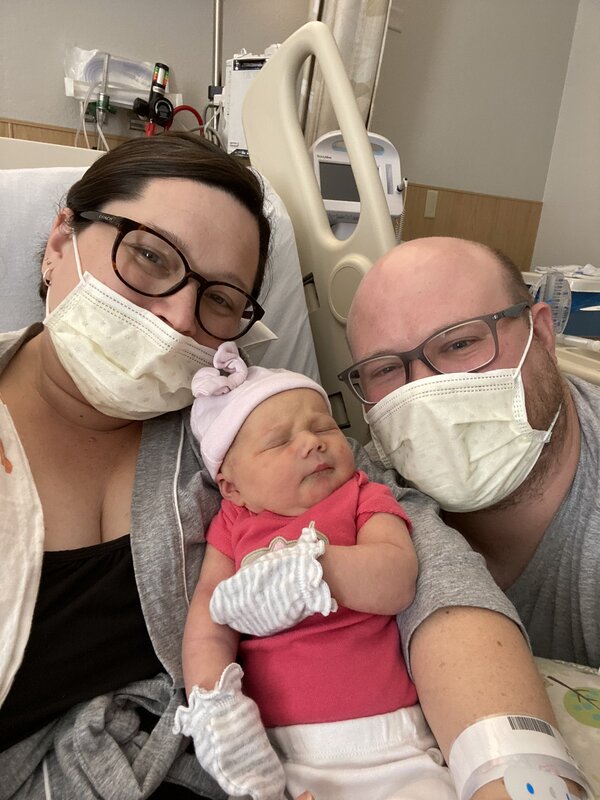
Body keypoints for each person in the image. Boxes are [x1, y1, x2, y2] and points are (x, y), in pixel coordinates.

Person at [0, 132, 574, 800]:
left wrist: (510, 768)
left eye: (218, 298)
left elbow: (417, 548)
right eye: (149, 257)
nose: (179, 317)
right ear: (59, 240)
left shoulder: (235, 432)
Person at [175, 342, 459, 800]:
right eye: (280, 441)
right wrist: (215, 704)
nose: (313, 441)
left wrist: (314, 571)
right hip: (279, 755)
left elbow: (397, 581)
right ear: (232, 487)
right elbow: (210, 618)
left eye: (324, 426)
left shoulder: (363, 495)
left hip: (391, 745)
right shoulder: (231, 525)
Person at [344, 235, 600, 670]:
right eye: (385, 369)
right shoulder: (360, 491)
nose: (424, 389)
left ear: (541, 334)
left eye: (460, 344)